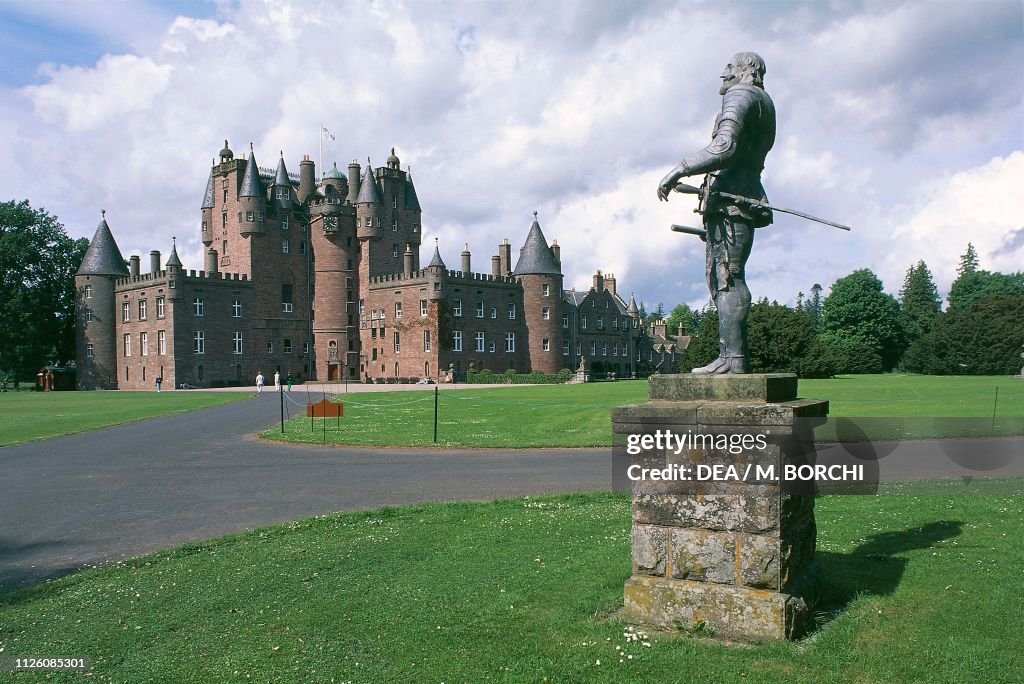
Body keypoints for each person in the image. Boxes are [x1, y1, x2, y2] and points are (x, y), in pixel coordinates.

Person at [657, 52, 775, 375]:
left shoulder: (741, 95)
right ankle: (733, 356)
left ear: (744, 71)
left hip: (731, 203)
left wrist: (678, 170)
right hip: (739, 200)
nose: (724, 73)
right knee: (726, 277)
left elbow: (724, 145)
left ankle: (732, 360)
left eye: (730, 67)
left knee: (728, 278)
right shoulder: (765, 103)